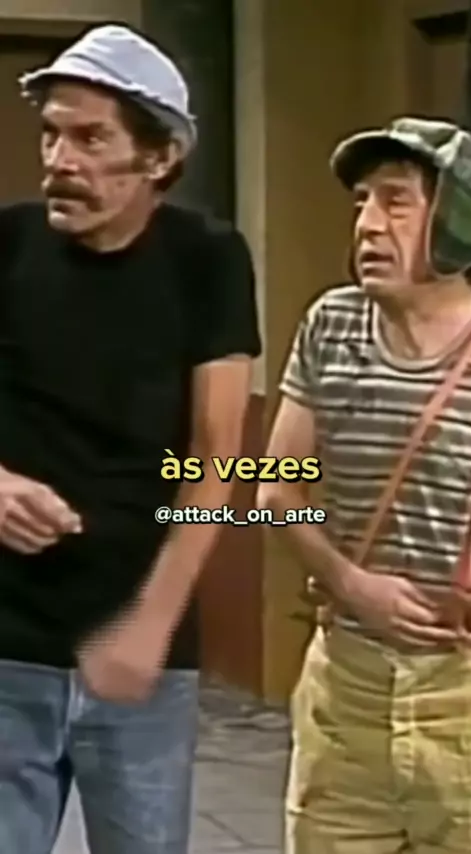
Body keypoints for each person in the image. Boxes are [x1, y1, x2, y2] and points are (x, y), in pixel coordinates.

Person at [0, 22, 261, 854]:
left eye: (90, 139)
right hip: (6, 645)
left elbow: (219, 454)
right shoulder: (6, 245)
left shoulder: (207, 259)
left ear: (159, 158)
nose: (60, 161)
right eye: (51, 134)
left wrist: (152, 621)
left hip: (141, 654)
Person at [257, 115, 471, 853]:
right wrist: (350, 583)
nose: (368, 225)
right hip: (347, 699)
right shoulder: (332, 326)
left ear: (456, 224)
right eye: (361, 202)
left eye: (395, 202)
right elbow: (276, 488)